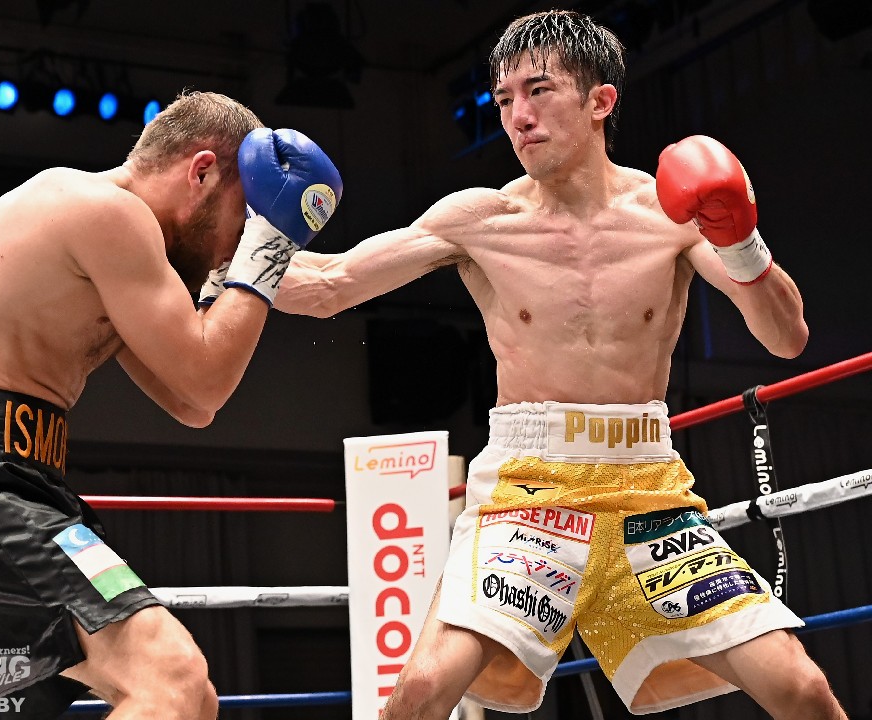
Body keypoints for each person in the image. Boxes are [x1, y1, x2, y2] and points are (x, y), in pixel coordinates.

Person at [262, 9, 846, 720]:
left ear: (601, 100)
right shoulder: (481, 218)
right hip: (525, 490)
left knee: (801, 687)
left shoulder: (670, 217)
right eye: (505, 99)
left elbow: (786, 337)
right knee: (420, 690)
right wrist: (218, 252)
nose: (518, 116)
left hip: (649, 494)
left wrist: (739, 237)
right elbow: (328, 286)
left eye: (539, 90)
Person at [0, 90, 342, 719]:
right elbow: (205, 381)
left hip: (8, 484)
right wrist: (269, 248)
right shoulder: (107, 211)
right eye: (245, 218)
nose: (234, 249)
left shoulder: (115, 246)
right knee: (171, 680)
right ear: (201, 172)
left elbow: (192, 404)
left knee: (194, 700)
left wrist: (239, 271)